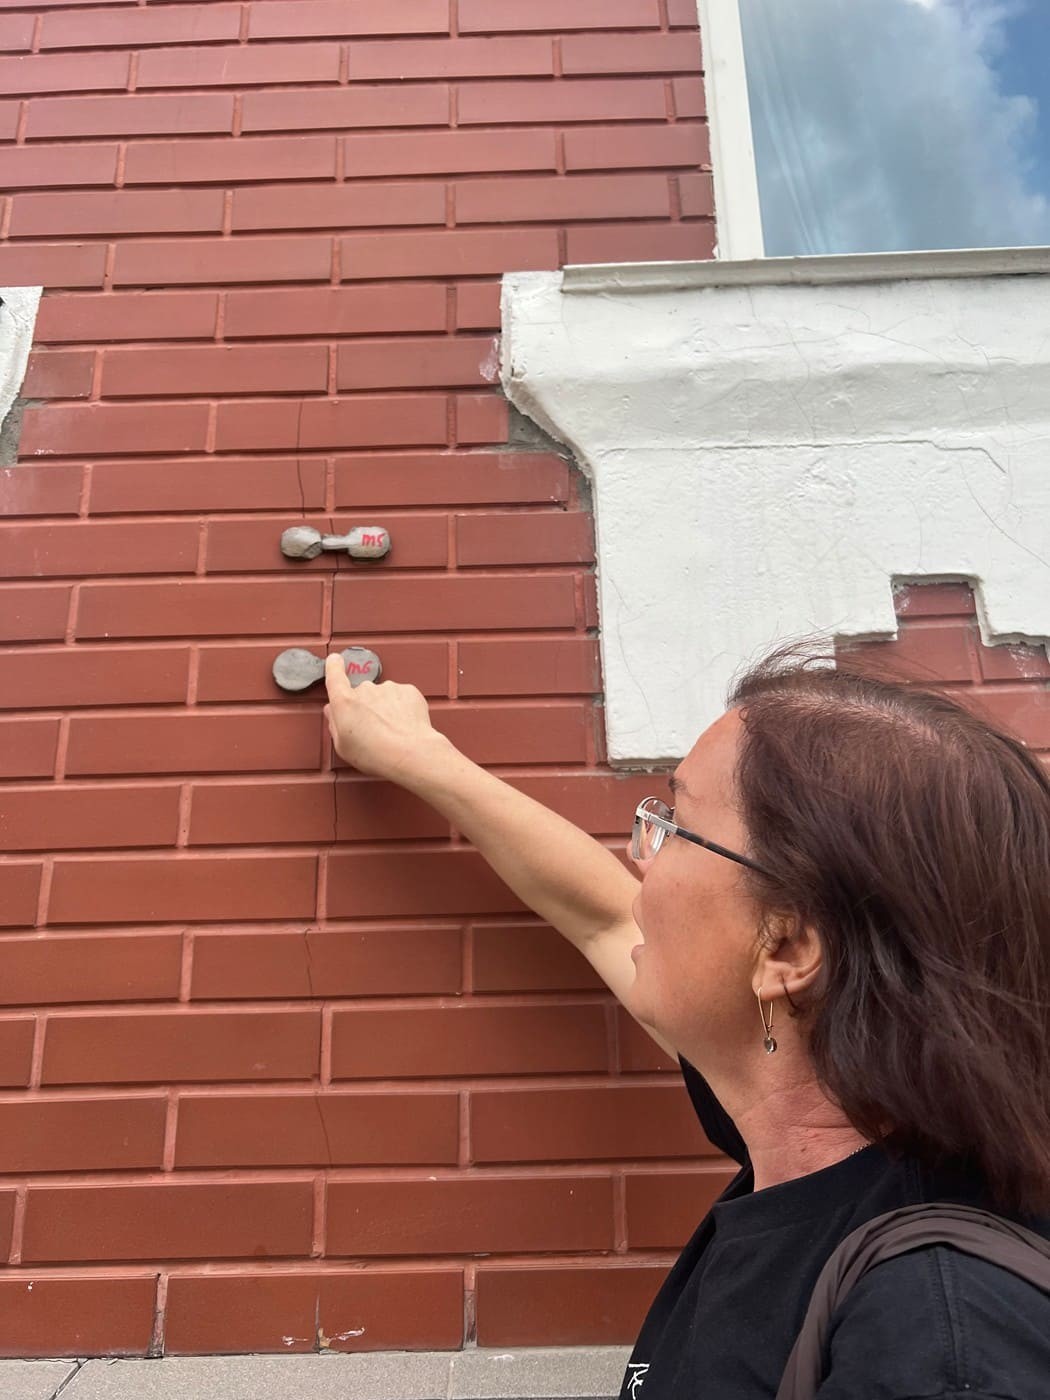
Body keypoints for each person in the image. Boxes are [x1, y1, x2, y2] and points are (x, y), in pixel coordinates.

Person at [323, 647, 1050, 1399]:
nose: (641, 857)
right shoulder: (825, 1129)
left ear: (787, 949)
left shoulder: (938, 1345)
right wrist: (420, 757)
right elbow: (604, 915)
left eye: (677, 827)